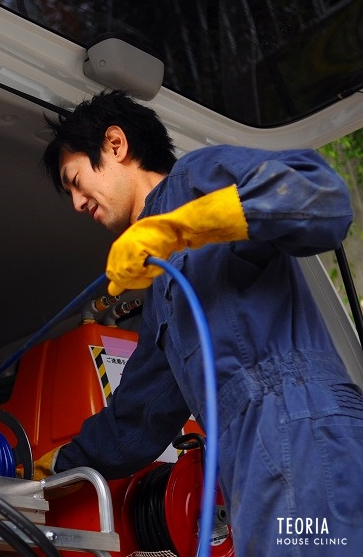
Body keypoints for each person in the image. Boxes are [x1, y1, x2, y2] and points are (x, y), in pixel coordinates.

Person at [35, 90, 363, 555]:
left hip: (299, 425)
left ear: (114, 144)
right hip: (245, 457)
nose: (76, 203)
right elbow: (139, 418)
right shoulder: (165, 296)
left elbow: (322, 198)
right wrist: (58, 466)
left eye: (75, 181)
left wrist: (179, 227)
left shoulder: (196, 177)